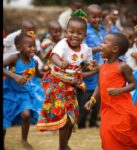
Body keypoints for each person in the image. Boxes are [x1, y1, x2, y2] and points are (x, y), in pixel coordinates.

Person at [37, 16, 98, 150]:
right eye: (71, 32)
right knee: (64, 120)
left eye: (79, 33)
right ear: (66, 32)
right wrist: (60, 63)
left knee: (71, 120)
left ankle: (63, 146)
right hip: (55, 83)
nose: (74, 35)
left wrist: (93, 65)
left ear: (85, 34)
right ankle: (62, 148)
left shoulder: (85, 49)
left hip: (71, 87)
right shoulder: (62, 44)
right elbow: (53, 56)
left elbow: (88, 64)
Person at [84, 32, 137, 150]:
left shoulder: (122, 67)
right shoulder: (102, 66)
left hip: (121, 110)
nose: (100, 45)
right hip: (107, 110)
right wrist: (92, 99)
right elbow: (100, 85)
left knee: (123, 136)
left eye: (104, 43)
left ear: (115, 49)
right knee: (106, 135)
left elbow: (133, 84)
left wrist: (120, 90)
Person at [3, 31, 44, 149]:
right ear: (19, 47)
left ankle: (24, 140)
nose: (33, 49)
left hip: (24, 94)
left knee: (26, 114)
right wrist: (15, 76)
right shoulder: (14, 58)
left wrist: (49, 74)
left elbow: (37, 73)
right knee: (5, 119)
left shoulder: (34, 61)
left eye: (34, 46)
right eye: (29, 46)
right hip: (9, 93)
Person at [77, 4, 103, 129]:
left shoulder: (100, 30)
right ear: (87, 17)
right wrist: (98, 48)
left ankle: (93, 123)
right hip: (87, 73)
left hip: (98, 73)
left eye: (99, 17)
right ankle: (80, 125)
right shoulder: (84, 30)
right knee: (84, 100)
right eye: (94, 17)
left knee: (97, 100)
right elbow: (81, 50)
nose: (97, 20)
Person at [122, 26, 137, 104]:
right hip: (124, 77)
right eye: (128, 38)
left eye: (132, 38)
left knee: (132, 96)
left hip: (133, 77)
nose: (130, 41)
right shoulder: (120, 51)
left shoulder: (135, 50)